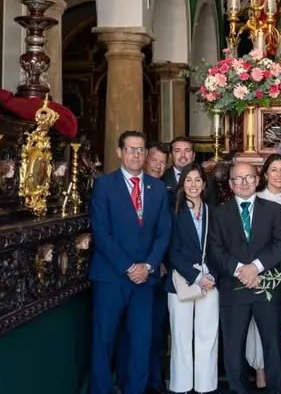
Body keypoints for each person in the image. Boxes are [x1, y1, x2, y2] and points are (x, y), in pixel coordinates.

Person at [89, 131, 172, 394]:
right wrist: (129, 267)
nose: (136, 154)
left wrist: (147, 266)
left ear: (146, 154)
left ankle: (135, 390)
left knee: (141, 341)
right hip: (111, 276)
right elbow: (102, 234)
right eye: (130, 149)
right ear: (119, 152)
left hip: (145, 280)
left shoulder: (157, 188)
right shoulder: (104, 185)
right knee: (105, 341)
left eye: (140, 149)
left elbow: (163, 233)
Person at [208, 162, 281, 394]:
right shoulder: (219, 213)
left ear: (257, 180)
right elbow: (215, 249)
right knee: (233, 349)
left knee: (273, 346)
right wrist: (241, 270)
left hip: (267, 287)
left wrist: (255, 267)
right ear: (231, 185)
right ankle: (238, 390)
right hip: (233, 288)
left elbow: (279, 243)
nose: (244, 182)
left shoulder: (273, 210)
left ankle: (276, 390)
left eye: (249, 177)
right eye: (238, 179)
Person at [115, 142, 172, 393]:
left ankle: (153, 382)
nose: (158, 166)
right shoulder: (122, 187)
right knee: (126, 334)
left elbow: (167, 233)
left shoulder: (162, 189)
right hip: (129, 273)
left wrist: (157, 263)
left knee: (153, 333)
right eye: (155, 160)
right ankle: (128, 382)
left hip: (159, 273)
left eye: (163, 162)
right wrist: (139, 266)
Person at [247, 154, 281, 388]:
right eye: (274, 170)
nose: (278, 174)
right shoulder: (255, 198)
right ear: (265, 174)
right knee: (260, 324)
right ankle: (260, 370)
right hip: (262, 268)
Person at [166, 163, 219, 394]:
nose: (193, 185)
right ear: (182, 184)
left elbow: (218, 248)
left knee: (207, 335)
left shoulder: (212, 212)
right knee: (181, 336)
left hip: (210, 279)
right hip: (182, 280)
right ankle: (182, 386)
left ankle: (205, 386)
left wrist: (211, 275)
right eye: (189, 180)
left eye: (198, 180)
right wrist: (197, 276)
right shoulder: (173, 211)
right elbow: (171, 251)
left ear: (204, 185)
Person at [163, 137, 218, 208]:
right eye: (177, 151)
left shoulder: (208, 179)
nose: (183, 155)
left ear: (193, 156)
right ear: (170, 156)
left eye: (187, 151)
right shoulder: (162, 179)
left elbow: (214, 209)